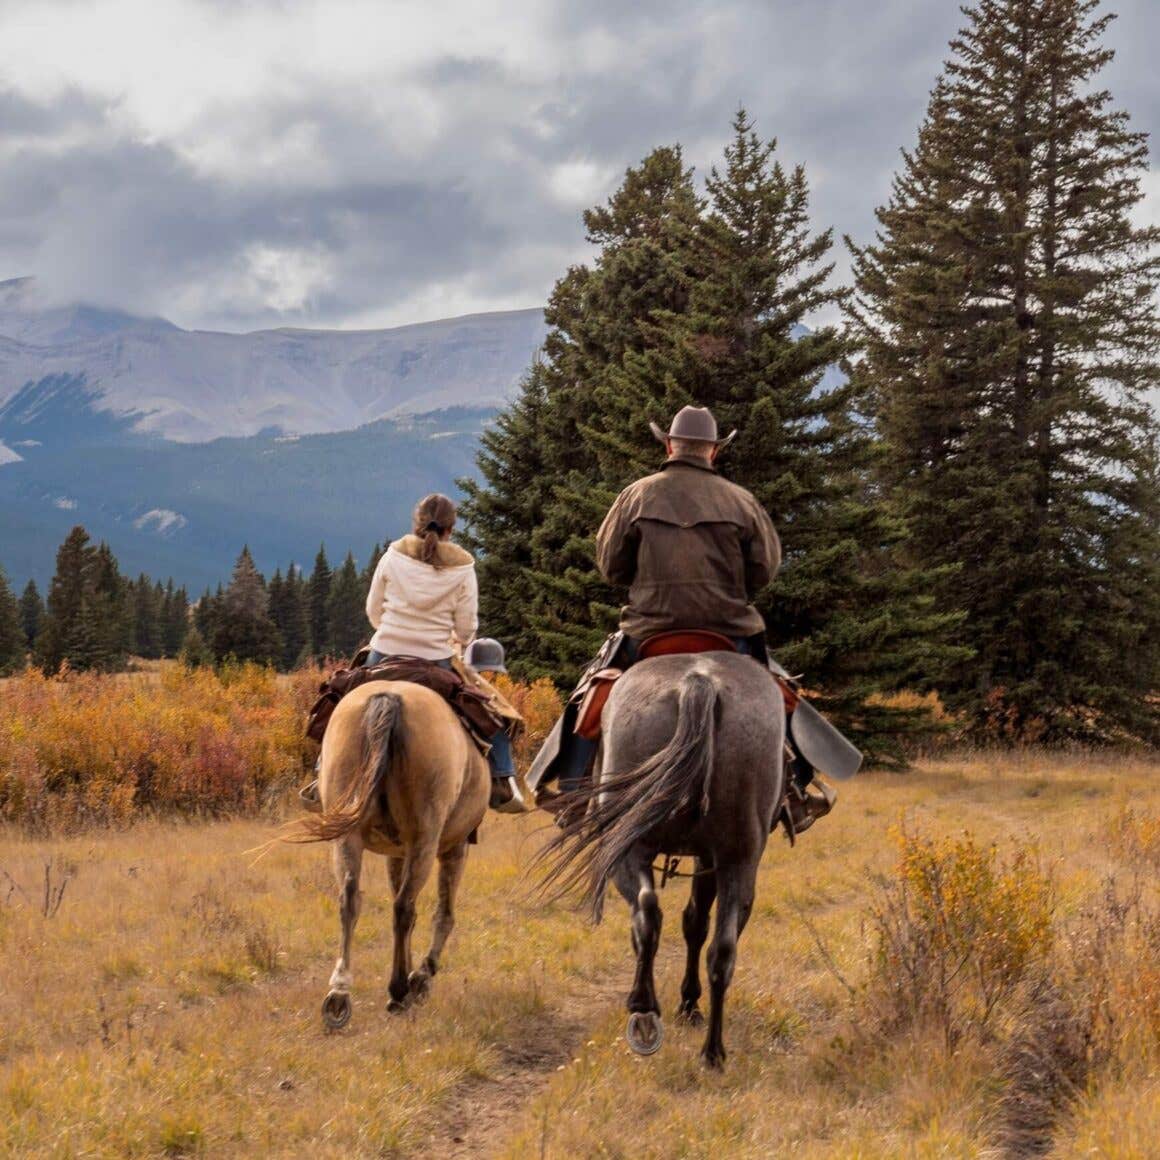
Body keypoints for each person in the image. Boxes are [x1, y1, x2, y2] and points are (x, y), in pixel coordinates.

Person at [526, 405, 839, 835]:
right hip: (730, 630)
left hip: (649, 630)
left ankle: (574, 796)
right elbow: (764, 571)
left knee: (591, 696)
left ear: (670, 445)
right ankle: (796, 793)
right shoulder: (741, 501)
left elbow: (610, 567)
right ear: (713, 451)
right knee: (779, 695)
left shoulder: (636, 494)